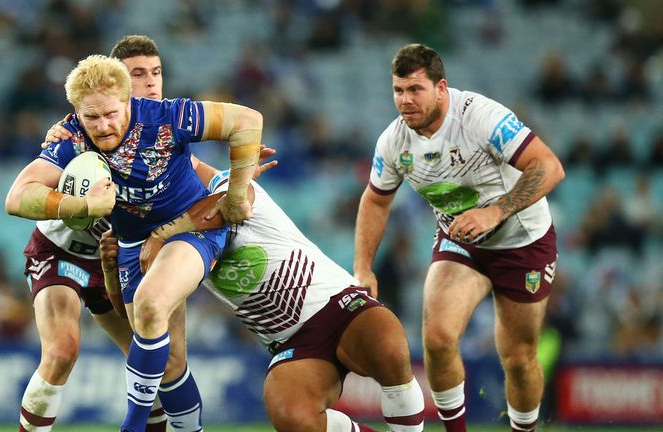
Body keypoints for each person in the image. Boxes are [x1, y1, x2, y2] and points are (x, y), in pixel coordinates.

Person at [5, 54, 263, 432]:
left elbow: (218, 185)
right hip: (63, 251)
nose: (151, 83)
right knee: (62, 350)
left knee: (158, 366)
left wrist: (240, 181)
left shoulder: (165, 129)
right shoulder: (72, 137)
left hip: (127, 250)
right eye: (139, 73)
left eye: (156, 74)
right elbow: (16, 197)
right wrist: (83, 205)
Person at [102, 163, 426, 432]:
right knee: (291, 414)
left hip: (340, 306)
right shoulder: (171, 253)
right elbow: (142, 323)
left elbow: (231, 202)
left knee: (388, 347)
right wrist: (112, 272)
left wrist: (162, 233)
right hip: (291, 344)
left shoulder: (230, 188)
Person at [353, 44, 565, 432]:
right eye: (398, 91)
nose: (405, 101)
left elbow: (549, 166)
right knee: (436, 338)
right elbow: (375, 201)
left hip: (523, 242)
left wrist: (495, 211)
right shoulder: (394, 142)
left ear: (441, 88)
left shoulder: (480, 118)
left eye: (415, 89)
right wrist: (363, 267)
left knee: (518, 359)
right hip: (461, 242)